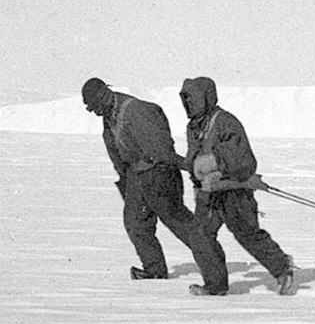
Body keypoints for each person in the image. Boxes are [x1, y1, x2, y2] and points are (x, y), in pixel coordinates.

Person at [82, 77, 224, 283]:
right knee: (135, 224)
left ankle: (215, 266)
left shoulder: (134, 110)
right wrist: (125, 181)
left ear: (103, 95)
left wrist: (190, 166)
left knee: (179, 222)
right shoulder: (109, 116)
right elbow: (118, 153)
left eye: (93, 106)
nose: (93, 111)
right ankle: (154, 270)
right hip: (136, 177)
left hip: (159, 174)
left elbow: (161, 150)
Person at [180, 76, 295, 296]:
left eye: (191, 98)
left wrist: (213, 162)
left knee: (247, 234)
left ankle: (282, 270)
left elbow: (244, 161)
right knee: (200, 235)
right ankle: (215, 286)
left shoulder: (225, 122)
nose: (188, 104)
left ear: (206, 97)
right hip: (208, 193)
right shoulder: (193, 126)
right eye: (184, 99)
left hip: (234, 191)